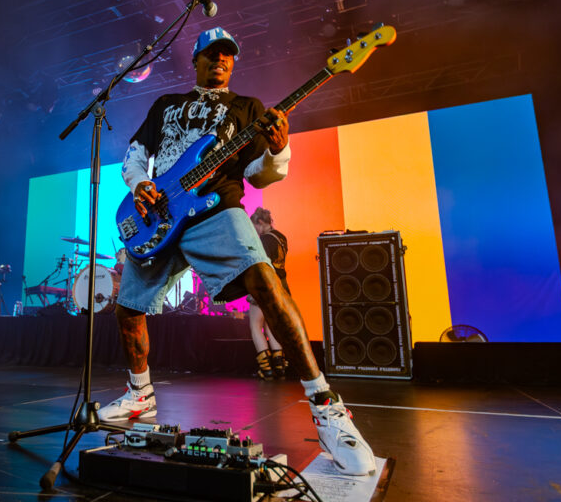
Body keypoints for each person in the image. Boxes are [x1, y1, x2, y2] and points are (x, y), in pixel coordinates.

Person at [98, 27, 375, 476]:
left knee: (265, 280)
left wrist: (279, 150)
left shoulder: (248, 109)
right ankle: (139, 395)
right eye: (212, 54)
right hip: (159, 215)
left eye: (228, 54)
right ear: (196, 60)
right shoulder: (165, 104)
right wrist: (140, 183)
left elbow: (260, 174)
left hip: (217, 209)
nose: (220, 60)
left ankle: (326, 407)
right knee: (128, 307)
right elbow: (135, 152)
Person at [248, 207, 289, 380]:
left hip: (265, 286)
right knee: (272, 325)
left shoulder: (264, 241)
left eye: (254, 227)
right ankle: (279, 366)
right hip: (281, 287)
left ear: (260, 222)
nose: (255, 231)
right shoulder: (281, 237)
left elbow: (261, 267)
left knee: (255, 325)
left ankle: (266, 369)